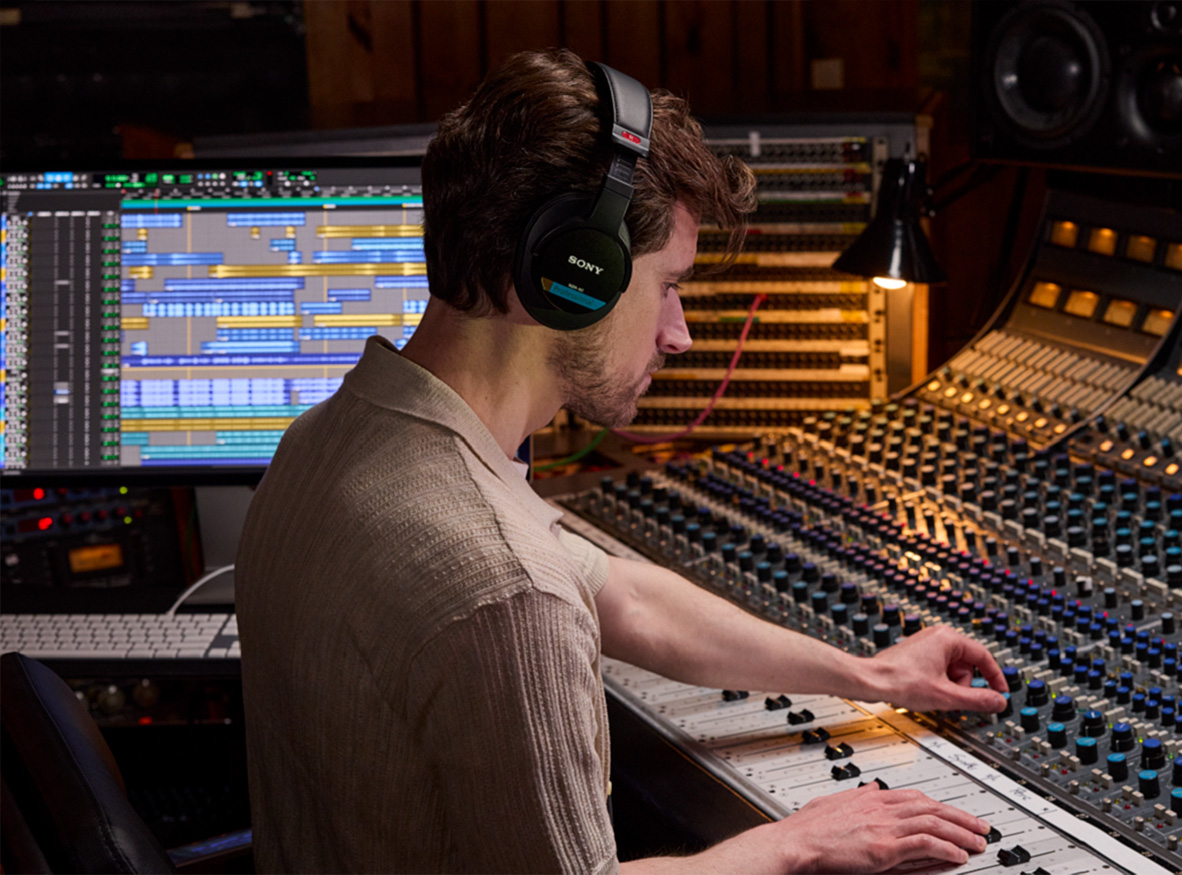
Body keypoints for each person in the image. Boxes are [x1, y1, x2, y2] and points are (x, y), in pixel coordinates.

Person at [235, 48, 1009, 874]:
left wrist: (868, 673)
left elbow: (622, 596)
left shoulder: (328, 438)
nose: (678, 333)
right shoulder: (504, 585)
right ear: (574, 274)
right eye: (667, 284)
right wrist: (795, 844)